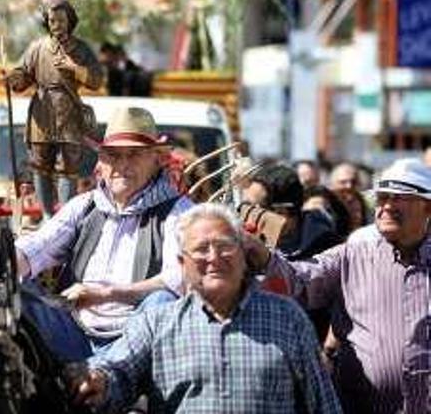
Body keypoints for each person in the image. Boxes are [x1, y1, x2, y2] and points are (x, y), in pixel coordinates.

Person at [76, 203, 341, 414]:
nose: (214, 258)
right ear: (182, 263)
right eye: (201, 249)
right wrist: (100, 381)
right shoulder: (157, 323)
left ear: (242, 254)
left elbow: (322, 402)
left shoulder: (287, 318)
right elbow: (119, 372)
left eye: (225, 246)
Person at [250, 158, 431, 413]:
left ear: (428, 208)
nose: (386, 207)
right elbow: (298, 280)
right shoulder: (353, 253)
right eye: (382, 198)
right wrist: (262, 256)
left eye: (399, 198)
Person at [15, 106, 192, 362]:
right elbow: (37, 247)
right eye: (112, 155)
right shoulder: (85, 205)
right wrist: (7, 261)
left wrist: (108, 293)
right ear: (101, 161)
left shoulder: (179, 212)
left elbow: (179, 280)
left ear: (157, 160)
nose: (122, 165)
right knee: (15, 291)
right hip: (74, 332)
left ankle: (100, 374)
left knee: (162, 302)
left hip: (137, 341)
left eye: (134, 155)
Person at [4, 0, 103, 218]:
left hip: (68, 111)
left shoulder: (81, 49)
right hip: (42, 110)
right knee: (40, 163)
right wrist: (13, 78)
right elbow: (23, 77)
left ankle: (65, 216)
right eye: (51, 21)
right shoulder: (37, 48)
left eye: (60, 20)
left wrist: (74, 67)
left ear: (70, 21)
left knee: (68, 164)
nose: (56, 25)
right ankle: (48, 215)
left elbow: (96, 80)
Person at [328, 161, 371, 232]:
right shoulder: (324, 204)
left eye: (353, 181)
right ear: (332, 184)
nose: (349, 186)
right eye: (343, 182)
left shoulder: (365, 203)